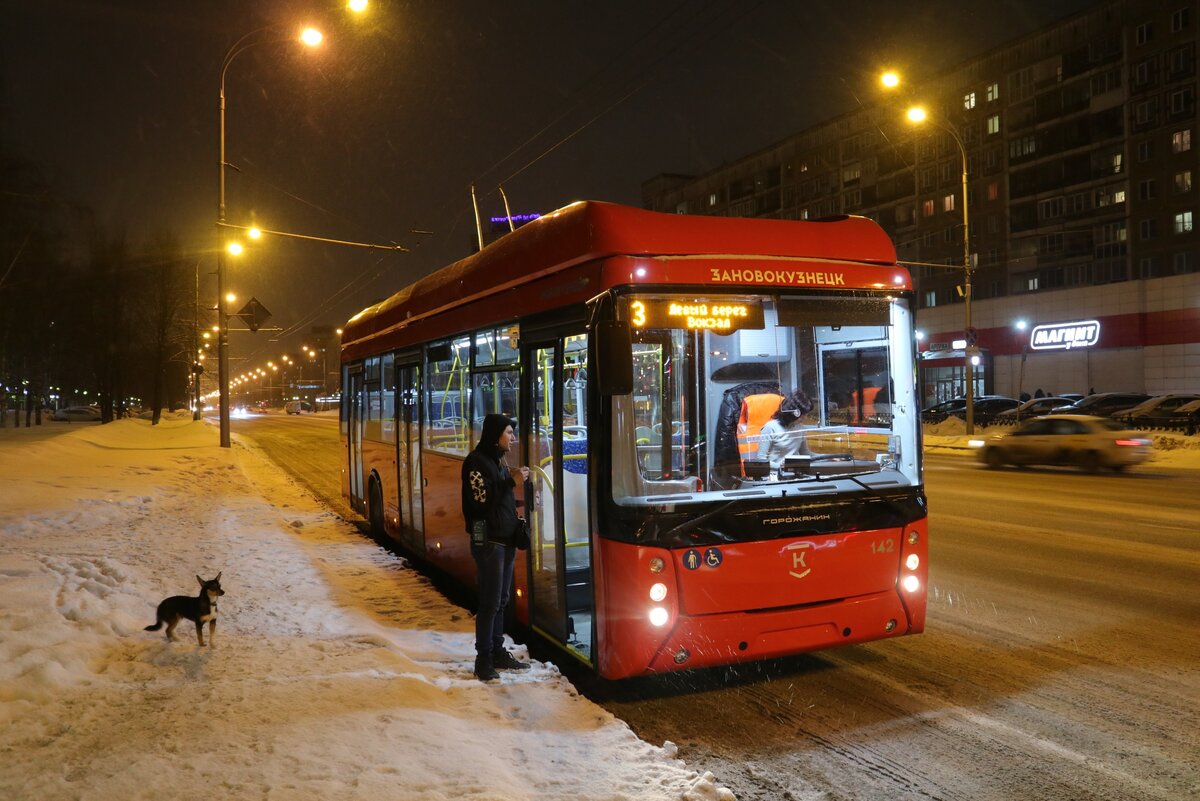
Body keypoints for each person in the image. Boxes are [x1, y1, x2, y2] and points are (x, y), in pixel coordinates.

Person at [461, 413, 531, 681]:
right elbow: (481, 501)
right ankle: (483, 659)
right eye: (509, 433)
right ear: (495, 435)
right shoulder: (475, 463)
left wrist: (517, 505)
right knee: (490, 603)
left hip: (506, 539)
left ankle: (498, 651)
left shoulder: (498, 460)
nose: (512, 438)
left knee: (501, 600)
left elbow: (498, 499)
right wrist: (510, 482)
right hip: (488, 541)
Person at [756, 389, 815, 471]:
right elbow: (761, 459)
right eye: (803, 415)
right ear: (793, 412)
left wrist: (829, 458)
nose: (805, 418)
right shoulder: (770, 427)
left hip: (795, 473)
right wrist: (781, 467)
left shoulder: (800, 428)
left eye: (806, 414)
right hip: (777, 474)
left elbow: (806, 453)